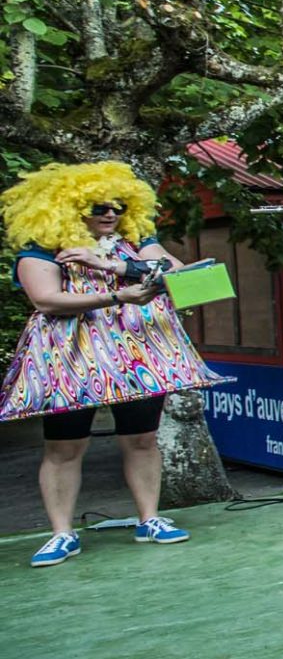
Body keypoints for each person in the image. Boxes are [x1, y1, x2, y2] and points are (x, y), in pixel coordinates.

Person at [1, 162, 219, 563]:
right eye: (98, 206)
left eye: (119, 206)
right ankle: (62, 533)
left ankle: (149, 519)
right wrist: (117, 296)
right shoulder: (44, 246)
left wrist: (115, 266)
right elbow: (46, 300)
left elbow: (179, 274)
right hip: (72, 358)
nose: (110, 213)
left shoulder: (135, 242)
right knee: (64, 445)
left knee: (142, 438)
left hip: (138, 354)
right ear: (69, 207)